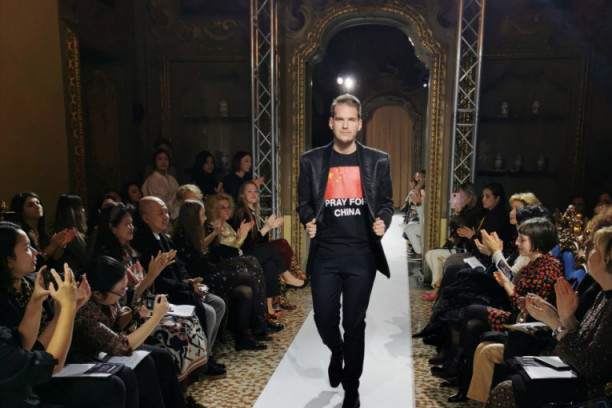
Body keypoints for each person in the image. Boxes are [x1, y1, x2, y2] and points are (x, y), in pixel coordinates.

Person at [296, 94, 393, 408]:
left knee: (354, 324)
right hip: (325, 253)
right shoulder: (311, 160)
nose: (346, 125)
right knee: (324, 319)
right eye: (340, 119)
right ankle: (336, 351)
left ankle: (352, 388)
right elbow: (304, 203)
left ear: (360, 123)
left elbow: (387, 203)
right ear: (331, 122)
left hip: (361, 255)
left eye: (352, 119)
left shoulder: (378, 160)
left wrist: (384, 221)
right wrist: (308, 220)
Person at [487, 225, 612, 408]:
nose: (588, 251)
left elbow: (589, 366)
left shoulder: (549, 266)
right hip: (576, 371)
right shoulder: (603, 294)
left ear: (606, 258)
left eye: (594, 249)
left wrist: (554, 320)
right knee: (508, 371)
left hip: (592, 389)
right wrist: (565, 316)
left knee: (507, 390)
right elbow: (582, 340)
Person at [131, 196, 227, 375]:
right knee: (209, 312)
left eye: (166, 212)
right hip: (166, 295)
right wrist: (187, 287)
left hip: (181, 287)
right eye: (160, 213)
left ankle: (206, 353)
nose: (166, 216)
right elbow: (158, 281)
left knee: (218, 304)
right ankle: (203, 361)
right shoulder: (142, 242)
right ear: (146, 218)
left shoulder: (163, 237)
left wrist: (189, 281)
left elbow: (180, 266)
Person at [233, 180, 307, 309]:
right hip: (243, 254)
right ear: (242, 195)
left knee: (270, 264)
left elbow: (259, 240)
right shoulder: (242, 212)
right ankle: (288, 277)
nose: (253, 194)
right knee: (274, 249)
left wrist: (269, 227)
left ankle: (269, 307)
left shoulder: (250, 211)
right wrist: (267, 227)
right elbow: (249, 242)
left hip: (252, 250)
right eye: (249, 191)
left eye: (255, 191)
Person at [142, 149, 180, 220]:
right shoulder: (151, 181)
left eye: (166, 159)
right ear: (155, 161)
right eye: (160, 159)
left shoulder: (172, 179)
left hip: (175, 216)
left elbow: (178, 198)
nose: (163, 162)